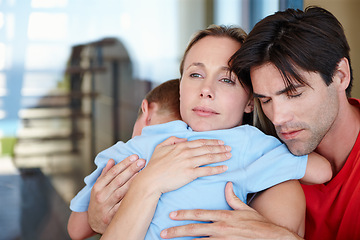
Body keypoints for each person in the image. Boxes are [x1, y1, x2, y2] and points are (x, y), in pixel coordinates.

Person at [93, 25, 331, 239]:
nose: (206, 90)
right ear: (180, 88)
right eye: (195, 75)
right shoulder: (152, 139)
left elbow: (321, 171)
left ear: (250, 101)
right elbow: (79, 224)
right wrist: (141, 187)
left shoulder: (253, 150)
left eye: (227, 80)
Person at [159, 6, 360, 240]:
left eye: (294, 93)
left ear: (340, 76)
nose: (278, 118)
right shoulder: (261, 152)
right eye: (265, 100)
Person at [67, 79, 182, 239]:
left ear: (146, 109)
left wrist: (96, 217)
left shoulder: (123, 156)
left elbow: (76, 229)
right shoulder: (199, 155)